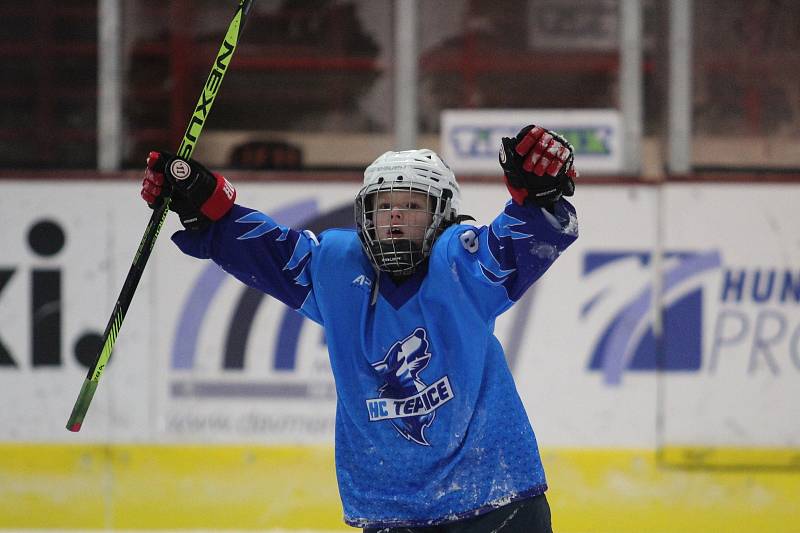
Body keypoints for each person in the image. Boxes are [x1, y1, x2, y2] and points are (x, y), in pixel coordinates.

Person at [141, 125, 579, 533]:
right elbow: (268, 251)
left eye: (412, 205)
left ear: (442, 212)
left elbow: (521, 241)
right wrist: (207, 205)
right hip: (393, 509)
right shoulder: (336, 269)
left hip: (497, 500)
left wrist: (540, 196)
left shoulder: (463, 263)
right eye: (384, 206)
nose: (394, 218)